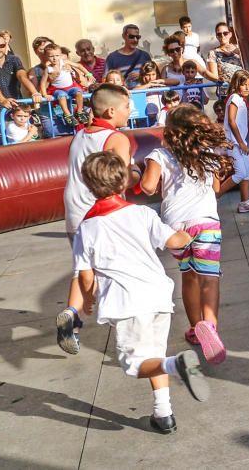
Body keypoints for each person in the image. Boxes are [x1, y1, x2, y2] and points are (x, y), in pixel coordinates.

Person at [72, 151, 209, 434]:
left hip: (128, 303)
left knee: (135, 364)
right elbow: (175, 239)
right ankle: (164, 414)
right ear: (124, 182)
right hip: (159, 297)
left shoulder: (87, 228)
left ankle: (176, 365)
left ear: (87, 185)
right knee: (153, 355)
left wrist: (88, 298)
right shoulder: (143, 213)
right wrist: (190, 230)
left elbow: (85, 275)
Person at [139, 105, 231, 363]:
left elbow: (147, 188)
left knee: (188, 276)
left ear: (169, 132)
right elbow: (215, 188)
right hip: (206, 224)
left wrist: (138, 174)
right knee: (209, 278)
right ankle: (209, 326)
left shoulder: (158, 155)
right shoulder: (207, 153)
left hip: (175, 228)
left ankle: (195, 328)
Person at [56, 83, 142, 355]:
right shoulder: (117, 139)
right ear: (111, 110)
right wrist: (140, 172)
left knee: (82, 268)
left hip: (74, 209)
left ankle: (73, 316)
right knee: (120, 268)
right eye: (128, 107)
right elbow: (122, 179)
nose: (132, 111)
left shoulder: (80, 135)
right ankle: (131, 330)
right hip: (101, 211)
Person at [221, 70, 249, 213]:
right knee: (240, 173)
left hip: (239, 142)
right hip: (233, 143)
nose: (247, 88)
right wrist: (241, 142)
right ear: (237, 84)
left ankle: (245, 202)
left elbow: (240, 121)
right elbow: (232, 122)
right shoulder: (235, 98)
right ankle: (214, 196)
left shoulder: (242, 100)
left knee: (246, 171)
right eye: (244, 85)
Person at [0, 32, 43, 116]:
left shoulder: (14, 60)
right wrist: (3, 100)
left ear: (6, 46)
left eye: (1, 45)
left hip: (18, 111)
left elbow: (22, 76)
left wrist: (34, 92)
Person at [40, 43, 93, 126]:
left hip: (70, 87)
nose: (54, 58)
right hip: (57, 89)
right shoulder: (48, 69)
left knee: (78, 92)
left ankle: (79, 112)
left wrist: (88, 74)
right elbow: (43, 83)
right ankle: (67, 114)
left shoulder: (64, 62)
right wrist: (44, 94)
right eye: (51, 56)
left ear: (60, 55)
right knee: (62, 96)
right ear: (46, 57)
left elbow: (78, 66)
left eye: (57, 55)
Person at [105, 24, 153, 89]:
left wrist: (141, 75)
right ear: (123, 36)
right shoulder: (112, 57)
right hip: (122, 95)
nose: (135, 40)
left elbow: (153, 75)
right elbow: (105, 80)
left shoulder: (145, 55)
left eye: (138, 37)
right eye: (131, 36)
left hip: (145, 93)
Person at [206, 22, 243, 96]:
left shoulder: (240, 48)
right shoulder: (213, 53)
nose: (222, 36)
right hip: (225, 92)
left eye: (225, 33)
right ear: (217, 36)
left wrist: (237, 51)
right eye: (219, 34)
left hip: (241, 90)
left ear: (230, 34)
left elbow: (248, 65)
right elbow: (214, 75)